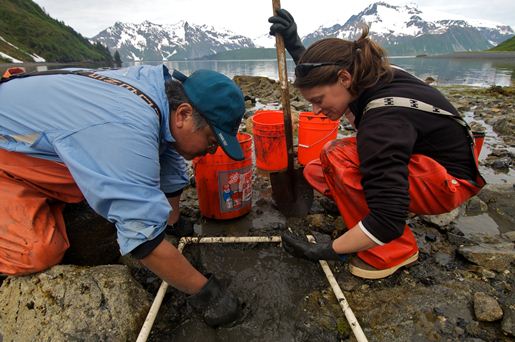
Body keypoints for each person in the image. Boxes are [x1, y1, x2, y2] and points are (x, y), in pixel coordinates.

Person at [0, 65, 244, 326]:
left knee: (122, 184)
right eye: (212, 141)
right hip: (9, 152)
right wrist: (208, 296)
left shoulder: (161, 96)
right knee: (38, 251)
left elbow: (170, 162)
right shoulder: (126, 128)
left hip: (37, 136)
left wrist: (172, 226)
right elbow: (144, 242)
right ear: (184, 114)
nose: (211, 150)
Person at [269, 9, 485, 279]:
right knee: (316, 169)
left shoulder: (383, 119)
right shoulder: (368, 73)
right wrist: (293, 42)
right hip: (424, 160)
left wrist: (327, 250)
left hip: (449, 181)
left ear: (345, 78)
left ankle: (396, 251)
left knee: (338, 156)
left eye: (319, 100)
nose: (315, 110)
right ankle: (366, 210)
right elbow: (325, 78)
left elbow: (388, 221)